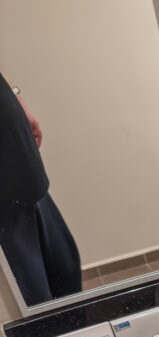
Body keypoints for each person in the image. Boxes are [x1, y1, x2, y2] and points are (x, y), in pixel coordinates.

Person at [0, 72, 81, 306]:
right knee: (34, 300)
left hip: (25, 165)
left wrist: (18, 100)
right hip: (5, 206)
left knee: (67, 275)